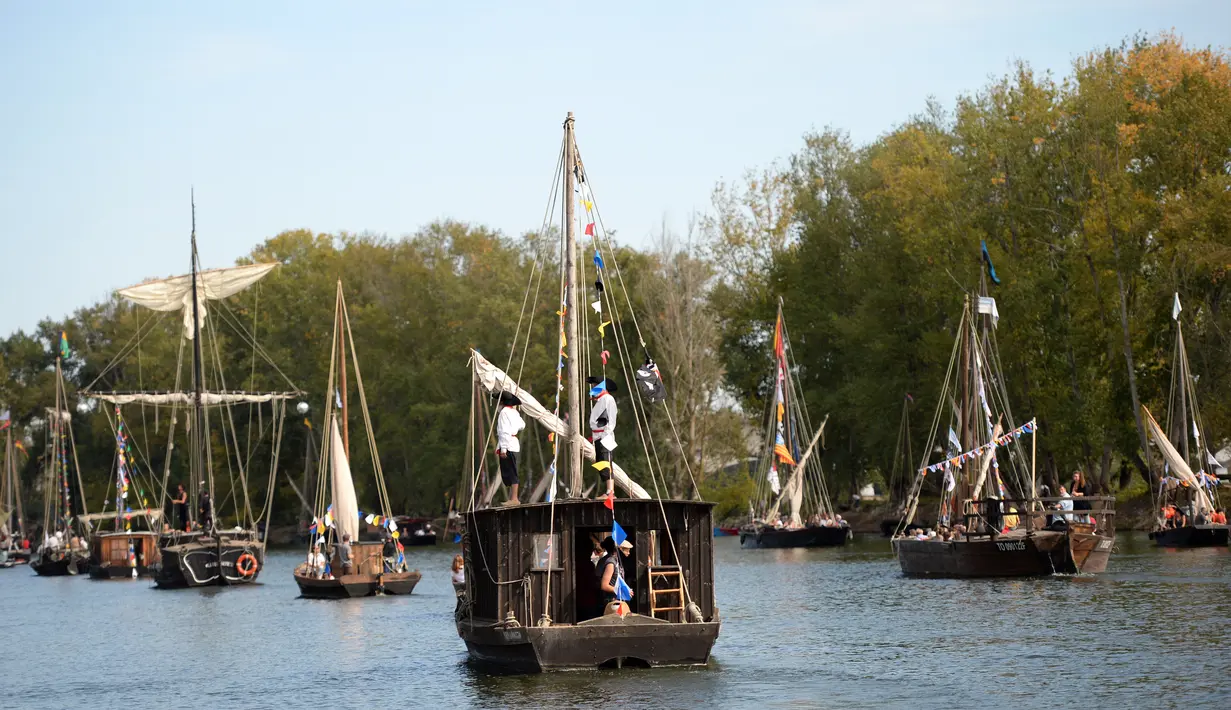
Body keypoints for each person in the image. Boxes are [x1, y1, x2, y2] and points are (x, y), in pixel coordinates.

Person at [588, 377, 619, 499]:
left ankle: (610, 491)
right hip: (598, 435)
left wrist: (605, 433)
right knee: (601, 462)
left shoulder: (608, 399)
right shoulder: (600, 400)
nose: (593, 388)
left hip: (604, 435)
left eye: (595, 385)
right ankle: (608, 490)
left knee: (606, 462)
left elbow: (611, 418)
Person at [495, 392, 526, 506]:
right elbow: (522, 425)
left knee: (511, 472)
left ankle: (514, 499)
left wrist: (503, 449)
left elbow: (504, 431)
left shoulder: (504, 413)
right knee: (511, 471)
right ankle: (512, 498)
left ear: (502, 403)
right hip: (513, 443)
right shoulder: (515, 412)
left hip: (507, 444)